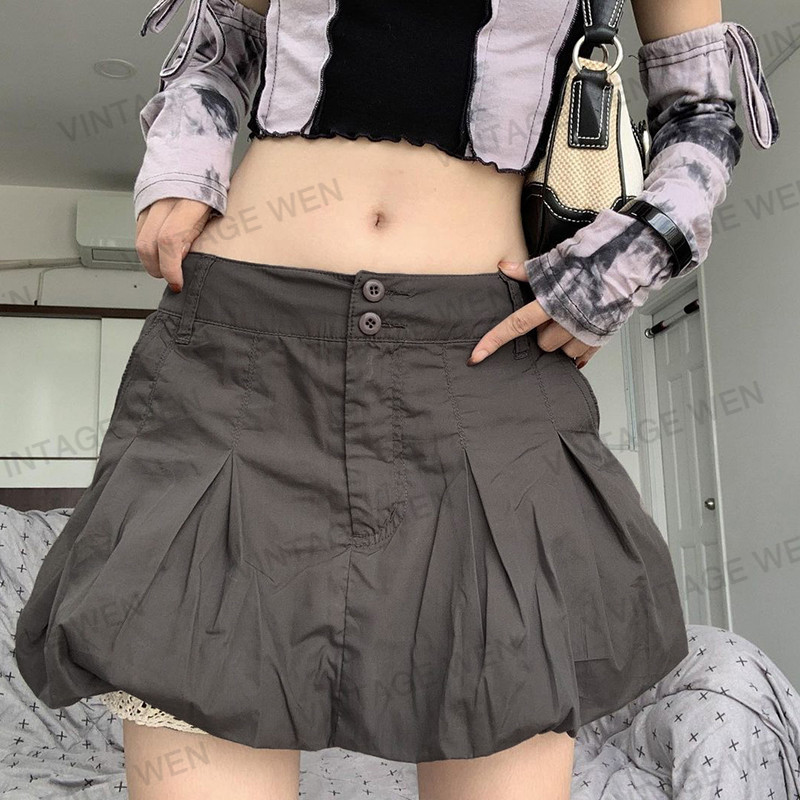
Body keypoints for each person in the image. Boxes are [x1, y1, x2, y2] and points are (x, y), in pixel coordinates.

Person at [14, 0, 779, 798]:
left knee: (510, 690)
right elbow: (221, 41)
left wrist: (621, 264)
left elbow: (702, 113)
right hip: (242, 353)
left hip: (482, 367)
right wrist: (185, 156)